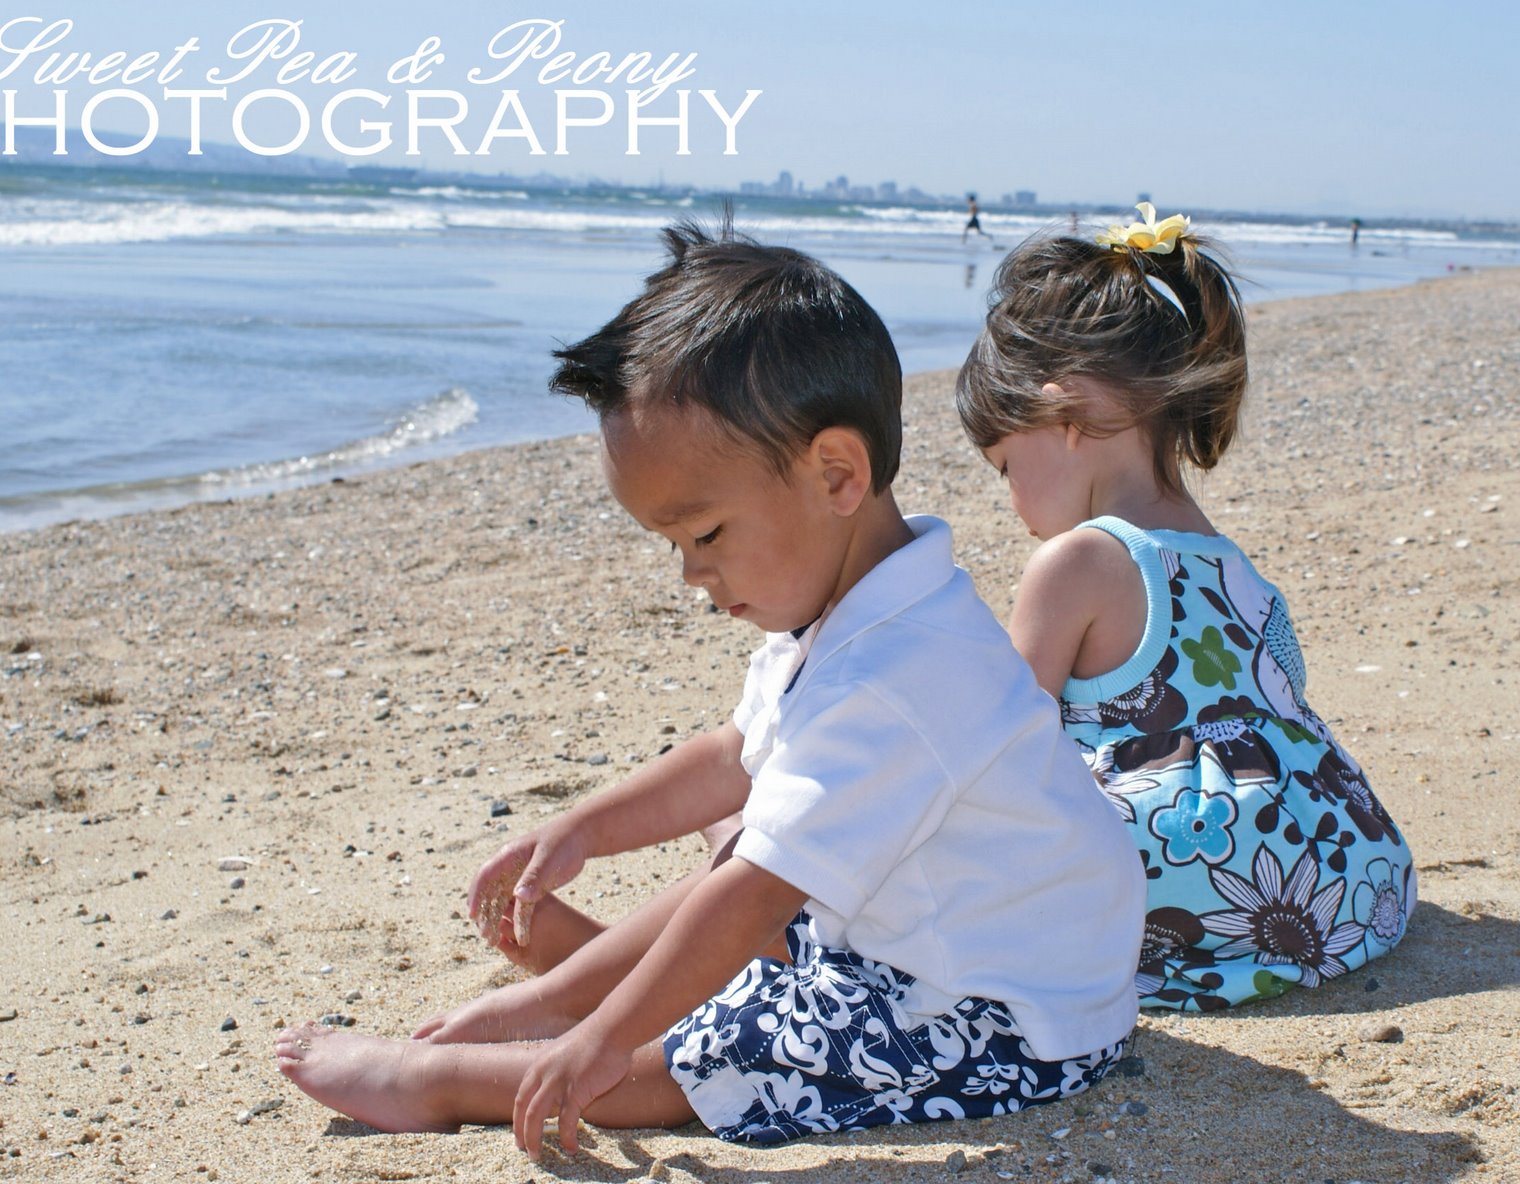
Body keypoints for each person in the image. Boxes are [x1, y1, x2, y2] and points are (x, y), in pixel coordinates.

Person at [276, 221, 1145, 1156]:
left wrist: (599, 1048)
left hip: (1009, 1016)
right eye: (673, 545)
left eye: (707, 535)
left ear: (837, 474)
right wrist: (585, 828)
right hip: (927, 941)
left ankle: (451, 1078)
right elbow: (737, 755)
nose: (691, 574)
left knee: (716, 1042)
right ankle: (557, 994)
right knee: (738, 857)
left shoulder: (905, 673)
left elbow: (759, 897)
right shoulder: (858, 610)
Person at [953, 204, 1415, 1012]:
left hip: (1187, 872)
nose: (1014, 504)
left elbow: (996, 743)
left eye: (1003, 467)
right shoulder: (1233, 566)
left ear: (1063, 416)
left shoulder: (1078, 558)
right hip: (1340, 874)